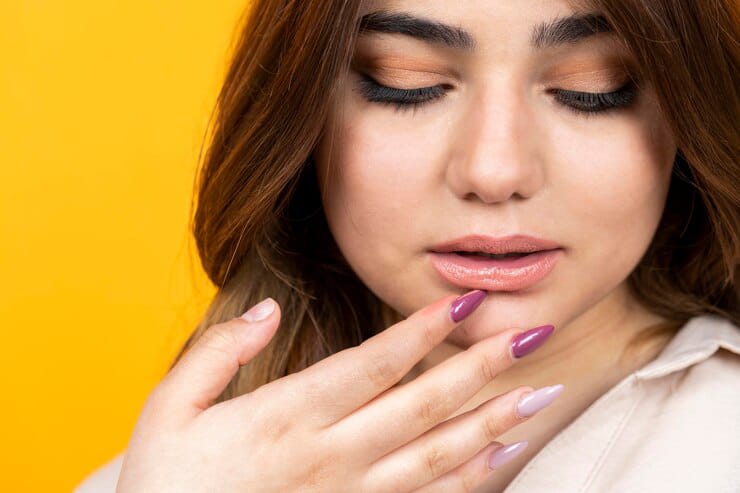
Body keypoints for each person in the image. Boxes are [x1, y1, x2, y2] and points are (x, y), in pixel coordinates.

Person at [75, 0, 740, 492]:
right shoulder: (170, 474)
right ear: (303, 118)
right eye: (406, 80)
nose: (494, 170)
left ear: (685, 114)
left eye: (591, 86)